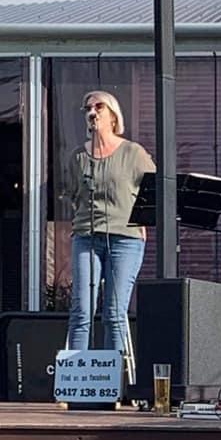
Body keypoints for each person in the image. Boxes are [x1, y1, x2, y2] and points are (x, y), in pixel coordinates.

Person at [65, 89, 155, 352]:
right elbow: (73, 195)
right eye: (87, 108)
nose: (92, 112)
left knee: (114, 312)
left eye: (99, 106)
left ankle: (112, 374)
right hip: (87, 237)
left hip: (125, 238)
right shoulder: (78, 157)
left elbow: (154, 190)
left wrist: (142, 220)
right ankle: (77, 371)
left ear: (113, 115)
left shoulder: (133, 153)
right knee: (81, 311)